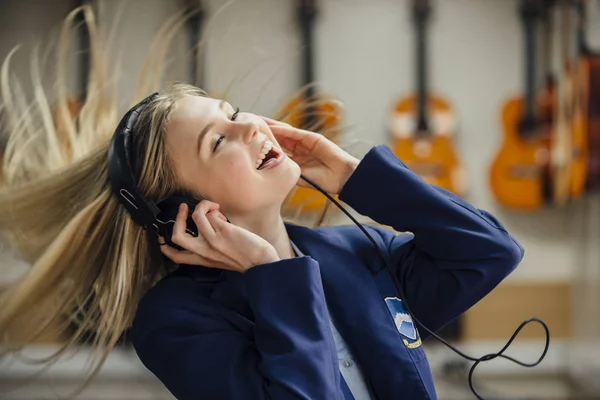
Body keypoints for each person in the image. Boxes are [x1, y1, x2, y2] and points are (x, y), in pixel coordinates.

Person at [0, 5, 523, 400]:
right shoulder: (175, 322)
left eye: (233, 112)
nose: (250, 123)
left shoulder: (356, 251)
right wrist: (272, 276)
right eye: (219, 140)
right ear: (181, 213)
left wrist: (356, 177)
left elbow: (489, 251)